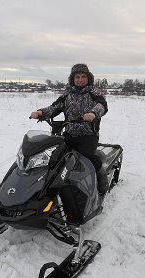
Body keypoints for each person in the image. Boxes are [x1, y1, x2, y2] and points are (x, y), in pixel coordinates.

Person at [30, 63, 109, 201]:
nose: (80, 79)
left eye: (83, 76)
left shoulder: (94, 92)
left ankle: (103, 183)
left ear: (88, 78)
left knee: (88, 158)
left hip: (88, 135)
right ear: (72, 79)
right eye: (77, 77)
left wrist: (93, 113)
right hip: (69, 133)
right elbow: (55, 107)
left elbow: (102, 105)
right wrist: (41, 112)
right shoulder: (68, 94)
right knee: (57, 157)